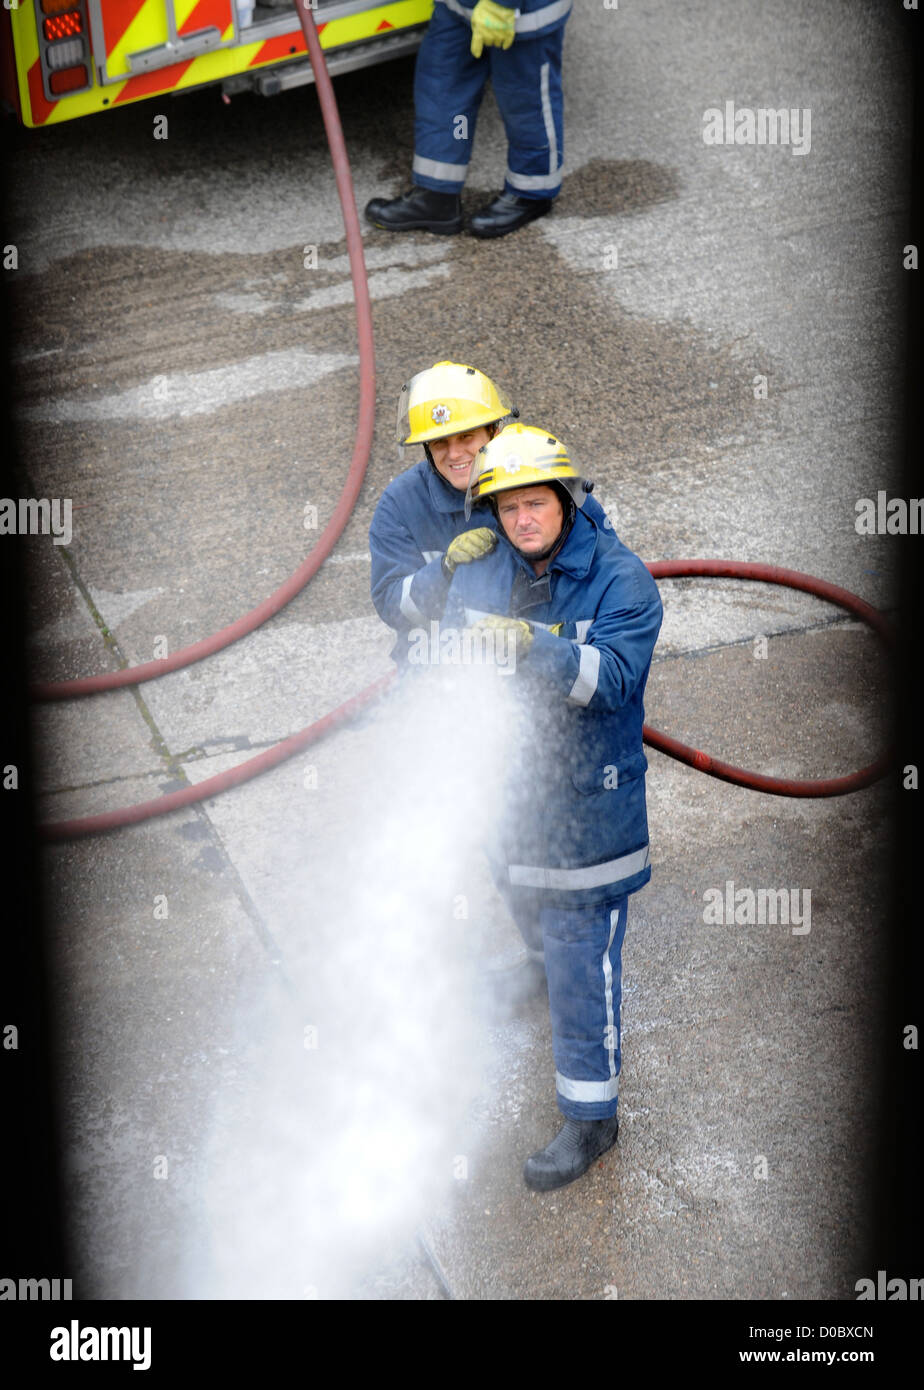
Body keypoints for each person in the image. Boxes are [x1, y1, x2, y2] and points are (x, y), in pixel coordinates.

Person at [441, 423, 663, 1191]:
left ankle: (591, 1118)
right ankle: (534, 966)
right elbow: (441, 660)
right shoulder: (487, 567)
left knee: (581, 963)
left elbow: (610, 682)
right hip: (513, 803)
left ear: (566, 500)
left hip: (590, 817)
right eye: (506, 510)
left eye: (535, 504)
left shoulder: (623, 582)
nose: (521, 521)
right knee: (519, 896)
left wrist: (529, 646)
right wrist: (443, 590)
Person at [369, 359, 612, 669]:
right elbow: (394, 609)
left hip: (542, 659)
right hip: (441, 664)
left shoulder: (549, 480)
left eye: (467, 437)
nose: (455, 454)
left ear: (494, 431)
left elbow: (610, 580)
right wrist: (443, 571)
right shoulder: (401, 505)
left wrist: (551, 640)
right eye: (440, 442)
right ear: (427, 447)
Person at [365, 0, 572, 239]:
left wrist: (502, 4)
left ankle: (531, 193)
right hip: (460, 7)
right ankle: (438, 192)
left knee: (525, 100)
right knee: (445, 87)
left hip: (520, 10)